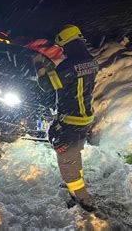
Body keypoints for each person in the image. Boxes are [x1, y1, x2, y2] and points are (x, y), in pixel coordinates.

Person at [36, 25, 99, 211]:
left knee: (67, 160)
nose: (62, 52)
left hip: (70, 120)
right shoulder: (91, 61)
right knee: (74, 154)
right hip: (85, 119)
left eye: (63, 48)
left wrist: (39, 66)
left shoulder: (68, 66)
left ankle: (82, 197)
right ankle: (75, 182)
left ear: (69, 45)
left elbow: (46, 85)